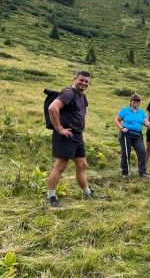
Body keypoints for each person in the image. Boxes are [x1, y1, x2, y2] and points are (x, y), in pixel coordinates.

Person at [46, 70, 107, 208]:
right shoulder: (69, 93)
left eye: (87, 81)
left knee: (82, 165)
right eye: (81, 80)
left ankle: (87, 194)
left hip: (77, 135)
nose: (84, 83)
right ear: (75, 78)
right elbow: (52, 108)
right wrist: (60, 129)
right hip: (66, 134)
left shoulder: (82, 96)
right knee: (60, 166)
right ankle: (51, 198)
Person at [114, 93, 150, 178]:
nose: (136, 102)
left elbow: (145, 123)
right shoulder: (125, 110)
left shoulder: (141, 112)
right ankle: (125, 173)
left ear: (139, 103)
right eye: (134, 100)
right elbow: (116, 120)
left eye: (138, 101)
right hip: (126, 134)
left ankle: (142, 172)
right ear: (131, 101)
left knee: (142, 152)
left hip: (138, 135)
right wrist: (122, 128)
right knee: (126, 153)